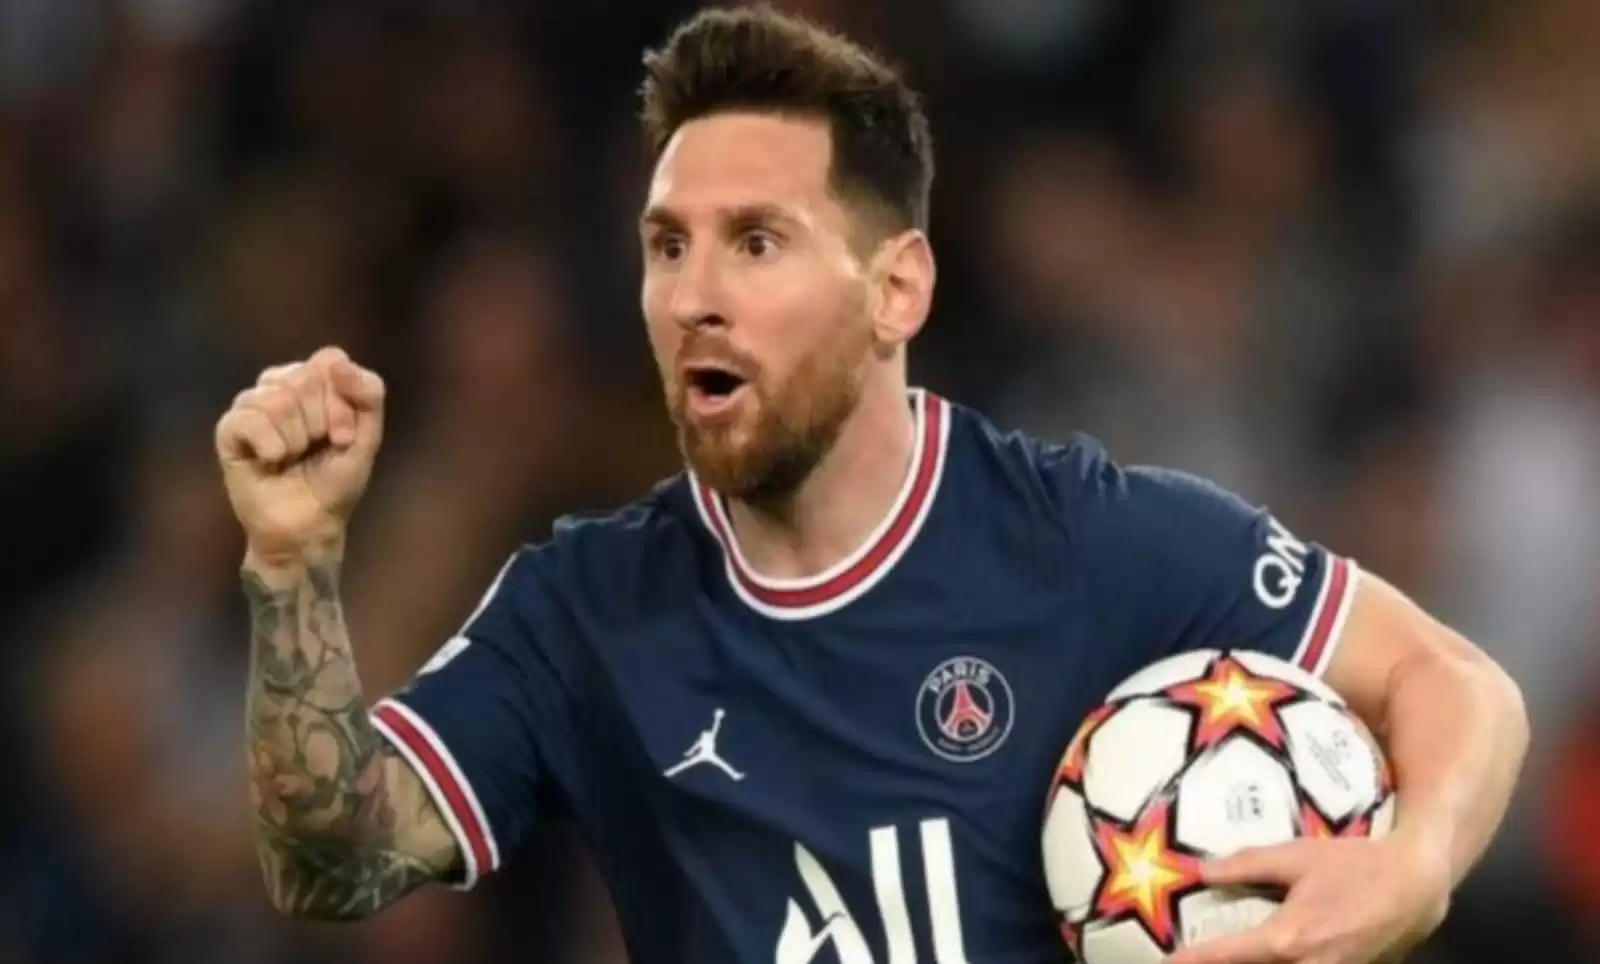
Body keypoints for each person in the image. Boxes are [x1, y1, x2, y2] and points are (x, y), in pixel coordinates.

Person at [214, 7, 1528, 963]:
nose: (695, 295)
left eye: (756, 243)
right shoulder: (584, 610)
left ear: (897, 288)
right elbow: (332, 862)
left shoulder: (1086, 542)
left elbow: (1456, 683)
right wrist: (291, 569)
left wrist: (1413, 869)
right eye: (667, 246)